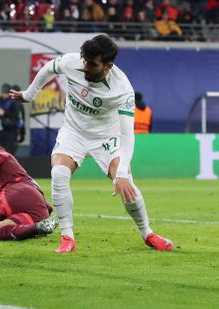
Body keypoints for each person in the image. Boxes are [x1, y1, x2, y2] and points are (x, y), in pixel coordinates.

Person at [10, 35, 174, 253]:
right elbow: (49, 68)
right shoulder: (72, 62)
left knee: (127, 185)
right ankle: (67, 237)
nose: (85, 67)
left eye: (92, 64)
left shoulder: (123, 89)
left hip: (106, 137)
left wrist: (122, 173)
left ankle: (148, 233)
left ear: (108, 66)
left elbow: (127, 135)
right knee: (59, 174)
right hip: (73, 131)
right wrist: (29, 95)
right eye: (84, 60)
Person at [0, 84, 21, 155]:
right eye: (3, 93)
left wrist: (4, 113)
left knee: (9, 151)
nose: (4, 95)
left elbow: (15, 117)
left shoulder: (14, 103)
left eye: (6, 93)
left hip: (11, 130)